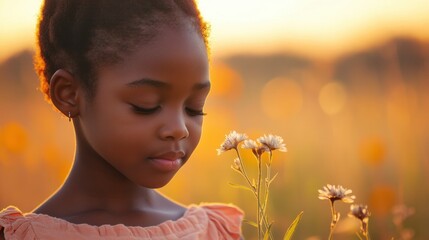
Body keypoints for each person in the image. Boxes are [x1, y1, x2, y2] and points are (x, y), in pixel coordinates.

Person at [0, 0, 243, 239]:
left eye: (194, 108)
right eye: (146, 106)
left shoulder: (213, 232)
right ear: (69, 94)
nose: (179, 129)